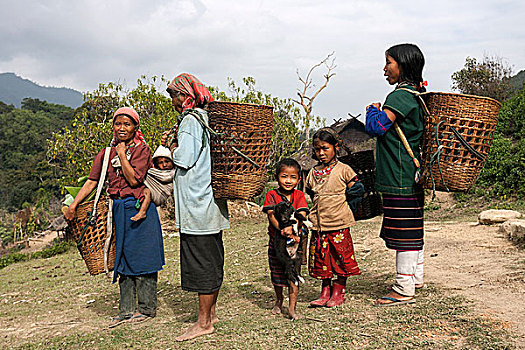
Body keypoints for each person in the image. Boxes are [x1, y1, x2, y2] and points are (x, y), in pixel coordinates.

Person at [64, 107, 165, 327]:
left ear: (135, 127)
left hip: (139, 208)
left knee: (143, 257)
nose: (121, 128)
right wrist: (74, 204)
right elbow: (92, 181)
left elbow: (135, 181)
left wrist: (121, 153)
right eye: (118, 124)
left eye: (127, 124)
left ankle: (147, 308)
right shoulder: (105, 153)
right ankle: (126, 310)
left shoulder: (142, 150)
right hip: (117, 209)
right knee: (122, 257)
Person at [161, 73, 229, 341]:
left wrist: (172, 145)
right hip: (210, 204)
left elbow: (185, 158)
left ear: (186, 94)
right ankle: (210, 315)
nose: (175, 101)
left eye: (176, 95)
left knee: (202, 265)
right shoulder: (205, 118)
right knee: (212, 261)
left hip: (198, 206)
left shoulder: (190, 121)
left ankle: (203, 323)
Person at [365, 43, 426, 306]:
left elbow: (377, 127)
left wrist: (371, 109)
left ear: (402, 65)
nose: (384, 68)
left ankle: (403, 287)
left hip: (399, 175)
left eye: (388, 62)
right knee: (412, 226)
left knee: (404, 231)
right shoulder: (418, 94)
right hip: (410, 174)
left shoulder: (400, 96)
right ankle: (415, 277)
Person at [305, 128, 361, 308]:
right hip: (319, 225)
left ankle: (339, 291)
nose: (321, 153)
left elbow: (357, 189)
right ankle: (325, 291)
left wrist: (347, 208)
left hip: (338, 223)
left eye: (325, 148)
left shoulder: (344, 170)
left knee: (340, 257)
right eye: (317, 149)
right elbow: (309, 194)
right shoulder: (313, 173)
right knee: (322, 258)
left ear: (336, 147)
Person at [262, 158, 309, 320]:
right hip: (277, 242)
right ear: (276, 177)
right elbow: (271, 215)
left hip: (295, 243)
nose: (288, 181)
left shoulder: (299, 195)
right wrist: (281, 229)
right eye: (284, 176)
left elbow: (301, 215)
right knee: (276, 273)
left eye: (293, 177)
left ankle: (292, 308)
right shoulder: (272, 195)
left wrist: (293, 227)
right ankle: (279, 299)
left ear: (299, 179)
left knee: (293, 273)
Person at [130, 145, 175, 221]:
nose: (164, 165)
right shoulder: (154, 172)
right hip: (154, 194)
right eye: (160, 163)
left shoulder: (174, 172)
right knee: (146, 191)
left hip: (164, 195)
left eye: (167, 161)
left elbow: (164, 178)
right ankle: (142, 212)